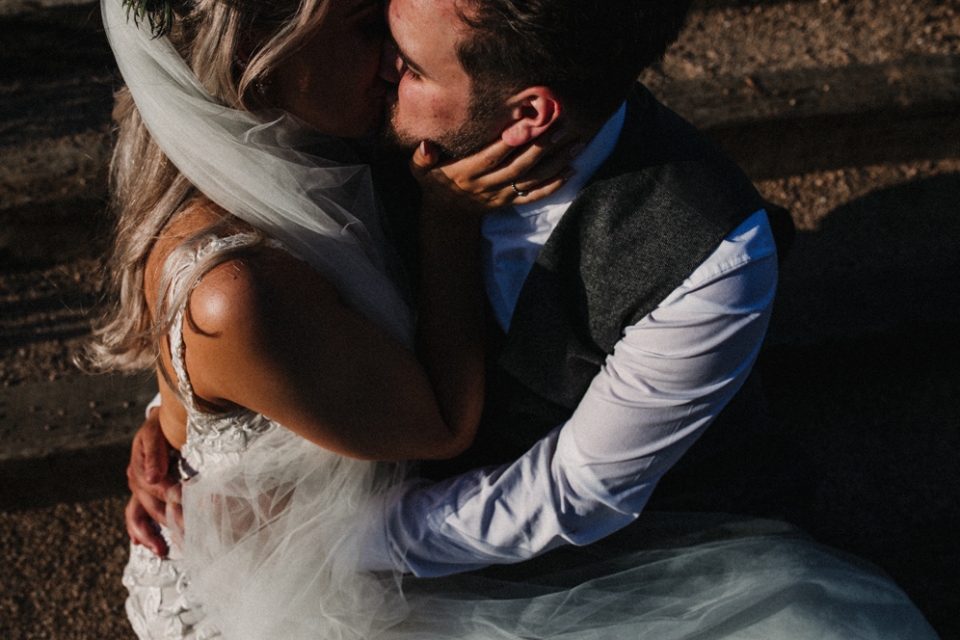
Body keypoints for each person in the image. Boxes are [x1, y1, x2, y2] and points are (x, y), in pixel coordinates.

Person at [113, 0, 940, 638]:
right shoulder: (368, 118)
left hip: (609, 538)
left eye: (404, 62)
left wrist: (338, 544)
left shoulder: (711, 250)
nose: (379, 72)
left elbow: (574, 492)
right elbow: (248, 285)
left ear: (528, 114)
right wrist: (189, 418)